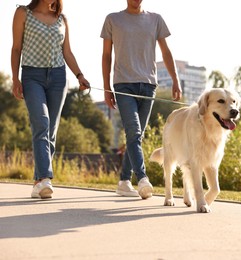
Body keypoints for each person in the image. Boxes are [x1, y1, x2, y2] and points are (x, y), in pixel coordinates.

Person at [101, 0, 182, 199]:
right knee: (134, 132)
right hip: (123, 84)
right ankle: (142, 178)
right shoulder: (113, 19)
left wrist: (175, 80)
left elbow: (166, 52)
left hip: (148, 85)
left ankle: (123, 181)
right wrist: (106, 87)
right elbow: (106, 55)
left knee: (136, 136)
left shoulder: (155, 20)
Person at [11, 0, 90, 199]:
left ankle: (39, 181)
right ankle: (46, 178)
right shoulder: (23, 13)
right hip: (32, 76)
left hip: (58, 78)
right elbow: (16, 48)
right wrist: (15, 78)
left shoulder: (62, 19)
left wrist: (80, 76)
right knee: (41, 123)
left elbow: (67, 52)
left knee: (51, 130)